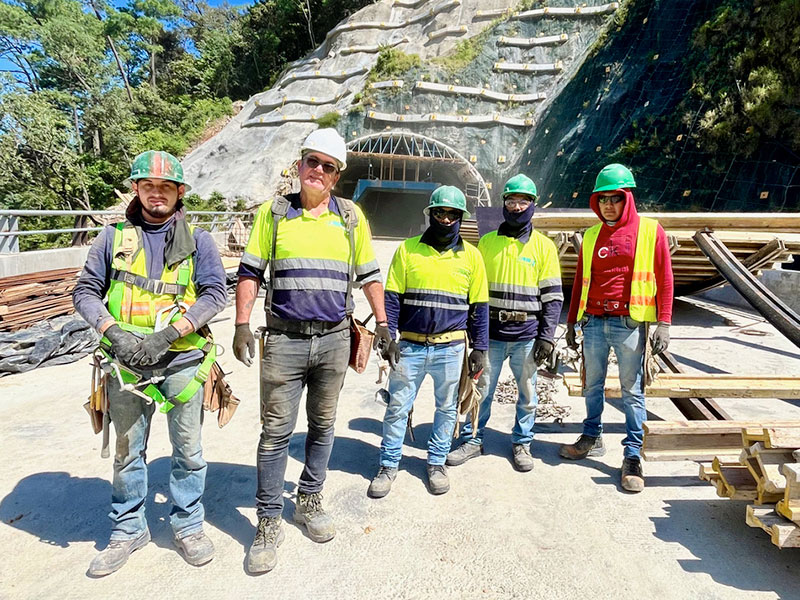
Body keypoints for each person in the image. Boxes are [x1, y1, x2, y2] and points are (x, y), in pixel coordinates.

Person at [232, 128, 390, 574]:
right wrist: (242, 324)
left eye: (328, 166)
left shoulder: (352, 217)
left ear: (337, 176)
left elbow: (370, 275)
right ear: (299, 164)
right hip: (283, 340)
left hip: (336, 338)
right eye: (312, 161)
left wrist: (383, 324)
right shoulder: (275, 213)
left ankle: (309, 498)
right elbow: (249, 271)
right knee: (276, 433)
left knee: (323, 426)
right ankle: (267, 520)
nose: (318, 171)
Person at [73, 150, 228, 575]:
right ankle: (128, 529)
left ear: (179, 193)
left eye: (165, 187)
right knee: (127, 452)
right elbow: (85, 291)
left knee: (189, 452)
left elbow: (215, 293)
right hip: (124, 363)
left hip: (181, 360)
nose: (156, 194)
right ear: (137, 190)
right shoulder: (112, 238)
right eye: (148, 186)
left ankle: (188, 525)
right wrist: (114, 334)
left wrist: (168, 335)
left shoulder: (200, 241)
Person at [367, 185, 489, 499]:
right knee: (397, 407)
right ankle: (388, 464)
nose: (446, 219)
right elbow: (392, 299)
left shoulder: (472, 257)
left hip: (451, 348)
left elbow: (479, 308)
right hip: (410, 346)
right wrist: (388, 336)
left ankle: (436, 462)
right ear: (430, 214)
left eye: (452, 214)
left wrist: (480, 348)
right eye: (440, 212)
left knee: (447, 409)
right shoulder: (407, 250)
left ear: (460, 218)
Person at [559, 163, 673, 492]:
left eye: (616, 198)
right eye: (603, 198)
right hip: (593, 322)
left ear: (628, 198)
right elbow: (580, 281)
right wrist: (571, 321)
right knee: (591, 386)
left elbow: (665, 279)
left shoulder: (651, 231)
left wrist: (663, 322)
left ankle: (633, 455)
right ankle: (591, 437)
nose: (609, 204)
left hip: (629, 323)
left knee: (632, 392)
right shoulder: (592, 235)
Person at [446, 174, 562, 472]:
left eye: (523, 201)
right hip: (492, 336)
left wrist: (546, 337)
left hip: (527, 336)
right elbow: (473, 293)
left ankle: (522, 442)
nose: (517, 206)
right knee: (481, 389)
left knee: (528, 393)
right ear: (503, 205)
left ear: (533, 205)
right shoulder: (486, 243)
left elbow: (553, 298)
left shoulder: (543, 247)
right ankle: (474, 438)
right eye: (511, 200)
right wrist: (474, 337)